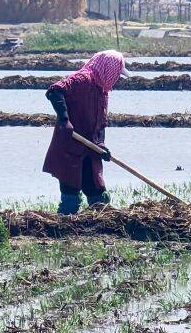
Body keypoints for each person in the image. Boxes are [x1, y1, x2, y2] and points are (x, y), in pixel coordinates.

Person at [42, 50, 128, 215]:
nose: (117, 78)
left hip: (90, 149)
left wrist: (101, 145)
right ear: (107, 68)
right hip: (70, 147)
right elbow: (55, 91)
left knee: (99, 196)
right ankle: (61, 233)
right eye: (117, 74)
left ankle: (97, 231)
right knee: (71, 197)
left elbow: (101, 123)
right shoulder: (82, 79)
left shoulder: (103, 90)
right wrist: (64, 120)